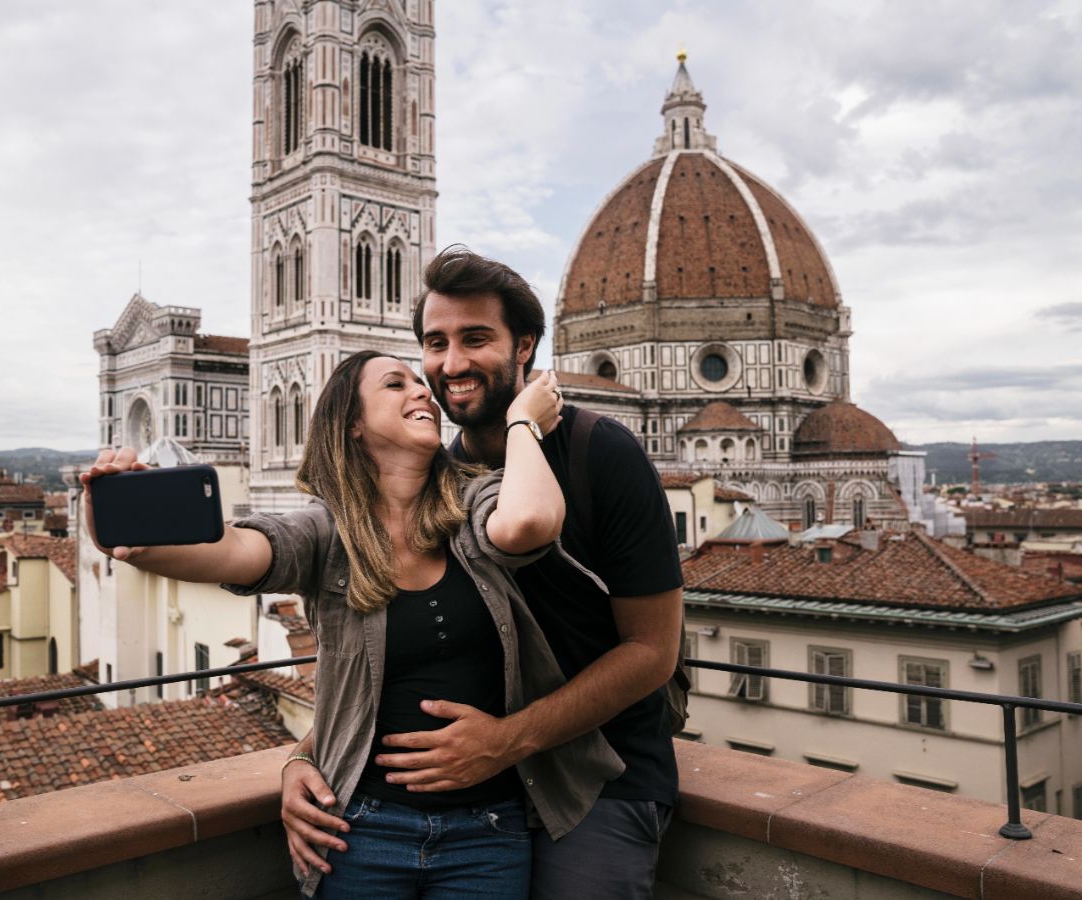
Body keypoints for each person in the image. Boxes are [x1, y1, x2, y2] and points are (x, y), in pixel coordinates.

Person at [81, 349, 622, 899]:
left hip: (488, 833)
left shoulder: (473, 501)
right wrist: (138, 542)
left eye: (419, 383)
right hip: (359, 830)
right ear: (355, 426)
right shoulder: (326, 532)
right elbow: (236, 550)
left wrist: (522, 422)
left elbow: (530, 520)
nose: (423, 392)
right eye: (396, 384)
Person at [283, 249, 685, 899]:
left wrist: (507, 741)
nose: (452, 364)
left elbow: (652, 652)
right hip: (480, 792)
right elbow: (398, 658)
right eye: (435, 344)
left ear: (524, 346)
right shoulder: (437, 481)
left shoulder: (600, 454)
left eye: (476, 339)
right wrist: (306, 756)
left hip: (601, 777)